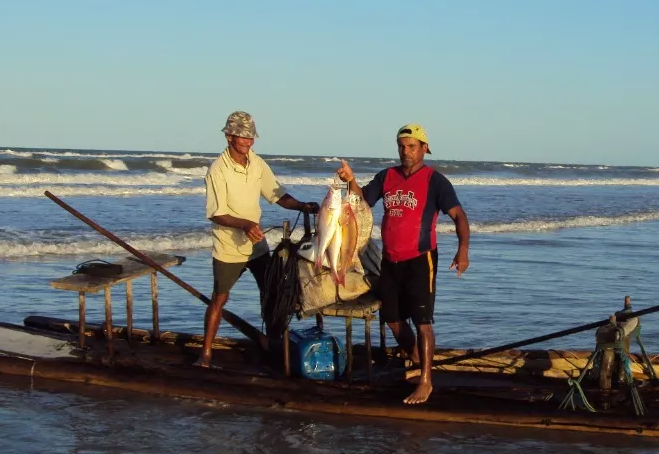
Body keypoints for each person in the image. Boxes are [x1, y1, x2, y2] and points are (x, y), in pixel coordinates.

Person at [336, 123, 470, 404]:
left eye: (412, 146)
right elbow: (363, 200)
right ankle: (417, 359)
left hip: (421, 260)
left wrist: (463, 250)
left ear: (424, 149)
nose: (406, 151)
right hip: (390, 260)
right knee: (393, 319)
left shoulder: (436, 181)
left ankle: (425, 381)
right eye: (401, 146)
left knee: (423, 322)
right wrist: (350, 179)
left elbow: (458, 215)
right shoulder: (387, 176)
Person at [198, 111, 317, 368]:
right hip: (228, 247)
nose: (248, 143)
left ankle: (275, 346)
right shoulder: (218, 169)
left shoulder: (256, 163)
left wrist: (302, 206)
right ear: (230, 137)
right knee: (220, 298)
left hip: (256, 245)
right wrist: (244, 224)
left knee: (271, 292)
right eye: (243, 138)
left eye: (251, 138)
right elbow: (216, 213)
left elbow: (277, 195)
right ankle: (206, 354)